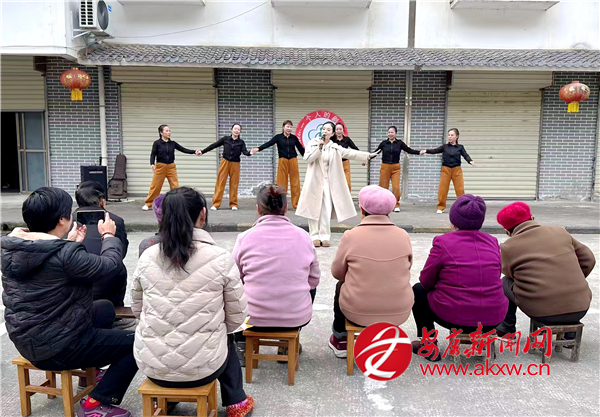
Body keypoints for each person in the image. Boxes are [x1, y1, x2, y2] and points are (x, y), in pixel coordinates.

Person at [1, 187, 137, 417]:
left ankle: (90, 371)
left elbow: (52, 263)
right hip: (58, 347)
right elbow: (110, 266)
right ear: (62, 220)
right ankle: (97, 403)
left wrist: (70, 242)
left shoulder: (13, 247)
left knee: (104, 308)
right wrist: (108, 236)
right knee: (136, 344)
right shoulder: (66, 255)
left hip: (26, 338)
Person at [132, 187, 254, 417]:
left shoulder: (147, 256)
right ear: (203, 214)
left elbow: (137, 309)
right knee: (225, 337)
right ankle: (236, 402)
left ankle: (165, 400)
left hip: (153, 367)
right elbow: (238, 316)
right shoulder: (220, 258)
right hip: (205, 368)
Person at [411, 194, 507, 362]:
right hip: (493, 318)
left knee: (418, 290)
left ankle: (428, 344)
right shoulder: (492, 241)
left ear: (453, 220)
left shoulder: (443, 242)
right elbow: (495, 274)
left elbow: (426, 281)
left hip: (456, 318)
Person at [232, 184, 321, 362]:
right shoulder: (303, 236)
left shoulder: (245, 238)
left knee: (233, 292)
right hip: (295, 318)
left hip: (251, 320)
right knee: (309, 288)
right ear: (286, 208)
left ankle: (241, 342)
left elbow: (234, 278)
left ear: (258, 209)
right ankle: (285, 344)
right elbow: (314, 279)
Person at [328, 185, 415, 358]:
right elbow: (407, 267)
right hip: (398, 311)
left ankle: (341, 339)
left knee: (340, 286)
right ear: (390, 210)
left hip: (357, 311)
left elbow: (337, 273)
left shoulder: (351, 236)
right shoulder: (403, 235)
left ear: (362, 209)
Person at [495, 202, 595, 338]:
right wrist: (570, 280)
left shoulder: (508, 247)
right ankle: (569, 333)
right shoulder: (560, 232)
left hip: (541, 312)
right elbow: (588, 259)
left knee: (504, 282)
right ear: (532, 218)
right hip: (580, 307)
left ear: (507, 231)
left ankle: (506, 328)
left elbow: (510, 274)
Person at [296, 121, 379, 248]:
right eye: (324, 129)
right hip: (314, 181)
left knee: (326, 209)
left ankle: (324, 236)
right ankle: (314, 236)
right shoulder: (313, 144)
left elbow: (349, 153)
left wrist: (367, 155)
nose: (325, 131)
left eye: (328, 130)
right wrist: (319, 148)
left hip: (327, 181)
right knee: (313, 208)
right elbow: (307, 158)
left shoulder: (334, 147)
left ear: (333, 133)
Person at [73, 180, 129, 307]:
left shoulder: (67, 221)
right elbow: (121, 253)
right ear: (102, 201)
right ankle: (117, 307)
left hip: (76, 284)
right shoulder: (115, 221)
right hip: (107, 283)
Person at [143, 124, 201, 211]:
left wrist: (194, 152)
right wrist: (152, 164)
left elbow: (183, 149)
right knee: (155, 186)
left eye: (169, 131)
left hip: (171, 167)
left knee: (175, 186)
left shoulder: (172, 143)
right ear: (161, 133)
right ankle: (148, 203)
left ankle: (177, 204)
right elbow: (153, 154)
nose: (169, 132)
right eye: (166, 131)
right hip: (160, 166)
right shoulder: (157, 143)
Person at [251, 120, 305, 209]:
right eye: (287, 126)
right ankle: (282, 204)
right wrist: (259, 148)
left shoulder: (294, 138)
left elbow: (301, 149)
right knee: (281, 183)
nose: (289, 128)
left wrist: (309, 157)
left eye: (291, 127)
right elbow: (269, 143)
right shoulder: (278, 137)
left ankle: (296, 205)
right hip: (282, 160)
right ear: (283, 127)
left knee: (295, 183)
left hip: (293, 160)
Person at [420, 128, 474, 214]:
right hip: (446, 170)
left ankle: (462, 207)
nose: (450, 137)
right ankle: (441, 207)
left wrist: (470, 161)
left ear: (457, 137)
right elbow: (435, 150)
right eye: (448, 135)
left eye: (452, 135)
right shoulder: (445, 146)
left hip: (457, 170)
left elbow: (465, 155)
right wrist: (426, 151)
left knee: (460, 189)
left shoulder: (460, 147)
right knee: (443, 189)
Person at [199, 123, 251, 211]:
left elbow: (245, 152)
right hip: (225, 162)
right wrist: (202, 151)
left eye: (238, 129)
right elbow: (214, 145)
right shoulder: (225, 139)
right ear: (231, 130)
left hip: (235, 164)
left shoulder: (241, 142)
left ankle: (233, 204)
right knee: (220, 182)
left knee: (234, 183)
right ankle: (216, 204)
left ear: (240, 132)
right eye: (235, 129)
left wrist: (250, 153)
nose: (236, 131)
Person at [371, 126, 422, 212]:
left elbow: (408, 150)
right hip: (385, 167)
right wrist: (367, 158)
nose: (390, 134)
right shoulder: (384, 143)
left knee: (396, 187)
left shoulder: (399, 143)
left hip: (396, 167)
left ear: (396, 133)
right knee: (383, 187)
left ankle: (396, 204)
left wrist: (419, 152)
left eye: (392, 132)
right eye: (389, 132)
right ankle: (383, 205)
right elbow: (376, 152)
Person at [331, 122, 359, 191]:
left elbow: (355, 149)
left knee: (347, 183)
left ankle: (347, 197)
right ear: (334, 131)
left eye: (340, 129)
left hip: (345, 163)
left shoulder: (347, 139)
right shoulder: (331, 140)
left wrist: (364, 158)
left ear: (343, 130)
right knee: (335, 183)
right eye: (337, 129)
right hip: (334, 163)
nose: (338, 131)